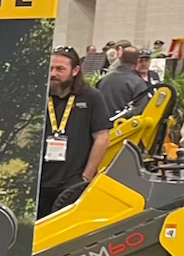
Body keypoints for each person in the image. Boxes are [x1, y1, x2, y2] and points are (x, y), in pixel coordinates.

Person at [40, 47, 112, 217]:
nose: (53, 74)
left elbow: (102, 138)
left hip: (72, 182)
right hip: (41, 182)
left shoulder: (91, 97)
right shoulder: (40, 96)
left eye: (60, 69)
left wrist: (86, 177)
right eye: (50, 69)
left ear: (75, 71)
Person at [98, 44, 152, 118]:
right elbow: (141, 109)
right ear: (137, 61)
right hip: (124, 127)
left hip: (102, 125)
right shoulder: (137, 82)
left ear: (120, 59)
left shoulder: (104, 79)